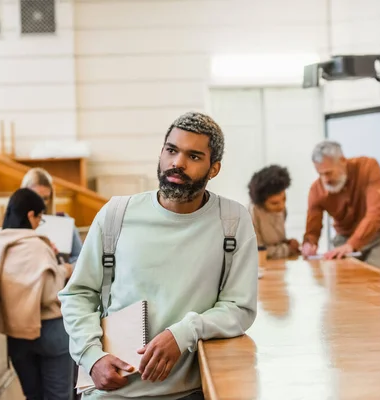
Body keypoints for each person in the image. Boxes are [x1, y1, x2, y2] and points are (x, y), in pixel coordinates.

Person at [58, 111, 258, 400]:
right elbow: (77, 295)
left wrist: (183, 333)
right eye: (171, 150)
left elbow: (240, 308)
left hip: (189, 392)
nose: (177, 163)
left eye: (194, 156)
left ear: (214, 169)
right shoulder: (116, 214)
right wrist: (91, 356)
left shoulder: (233, 220)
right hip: (113, 391)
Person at [0, 188, 75, 400]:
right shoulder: (36, 245)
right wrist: (65, 270)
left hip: (15, 333)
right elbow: (49, 294)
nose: (39, 224)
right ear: (30, 215)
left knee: (33, 396)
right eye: (40, 218)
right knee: (58, 397)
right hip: (49, 330)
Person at [301, 140, 380, 271]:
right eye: (320, 174)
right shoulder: (316, 190)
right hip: (343, 241)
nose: (325, 179)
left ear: (342, 160)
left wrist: (352, 244)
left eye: (328, 173)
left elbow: (377, 214)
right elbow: (312, 231)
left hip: (376, 239)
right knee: (345, 287)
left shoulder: (368, 168)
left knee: (378, 284)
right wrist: (309, 245)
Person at [21, 167, 83, 264]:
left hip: (63, 275)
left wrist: (67, 268)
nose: (41, 203)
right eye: (36, 197)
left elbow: (81, 257)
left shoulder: (63, 220)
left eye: (45, 198)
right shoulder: (16, 226)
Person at [248, 165, 300, 259]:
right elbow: (258, 251)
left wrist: (287, 242)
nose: (282, 206)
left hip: (279, 265)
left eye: (284, 199)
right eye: (274, 203)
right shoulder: (252, 213)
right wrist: (287, 249)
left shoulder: (282, 210)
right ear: (261, 204)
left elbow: (275, 242)